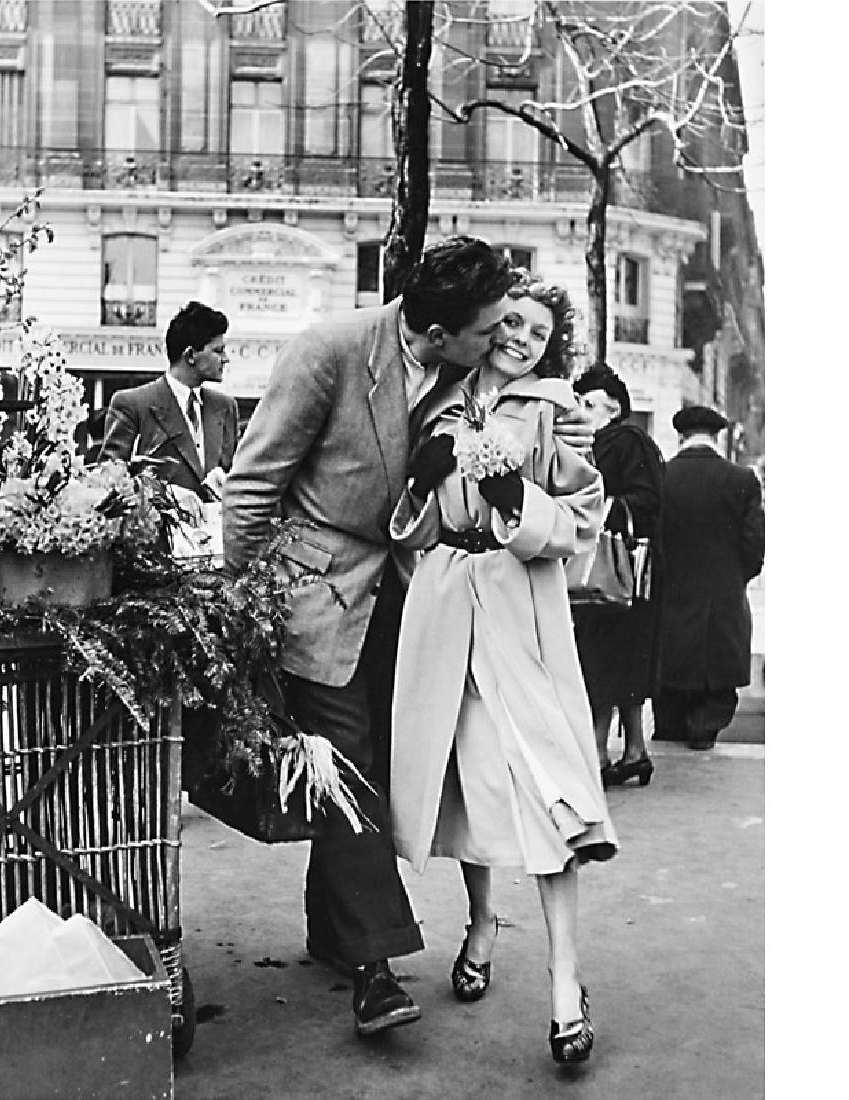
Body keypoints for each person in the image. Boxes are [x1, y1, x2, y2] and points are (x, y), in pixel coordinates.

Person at [222, 237, 596, 1039]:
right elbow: (252, 487)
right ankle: (375, 968)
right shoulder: (329, 351)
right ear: (440, 333)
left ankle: (333, 930)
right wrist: (249, 609)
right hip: (317, 593)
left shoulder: (485, 387)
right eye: (491, 326)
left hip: (417, 602)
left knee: (377, 770)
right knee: (347, 761)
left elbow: (558, 490)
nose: (504, 337)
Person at [389, 271, 617, 1066]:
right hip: (449, 609)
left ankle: (564, 981)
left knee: (548, 790)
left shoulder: (558, 412)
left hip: (521, 616)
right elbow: (410, 532)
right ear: (488, 324)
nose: (521, 341)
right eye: (511, 324)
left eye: (539, 335)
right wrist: (421, 488)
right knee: (469, 781)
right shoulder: (438, 403)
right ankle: (482, 924)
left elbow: (585, 519)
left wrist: (516, 502)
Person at [570, 365, 666, 788]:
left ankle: (600, 754)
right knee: (620, 665)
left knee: (603, 663)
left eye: (589, 404)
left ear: (613, 409)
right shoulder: (604, 442)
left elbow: (645, 500)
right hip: (617, 578)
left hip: (616, 571)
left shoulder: (624, 441)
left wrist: (598, 508)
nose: (581, 411)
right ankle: (633, 751)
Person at [652, 405, 765, 750]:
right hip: (723, 605)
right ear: (717, 436)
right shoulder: (742, 480)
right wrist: (731, 579)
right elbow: (755, 549)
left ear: (681, 436)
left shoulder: (660, 477)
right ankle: (704, 730)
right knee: (716, 689)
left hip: (670, 605)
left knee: (669, 698)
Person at [99, 300, 239, 502]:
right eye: (218, 351)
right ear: (190, 355)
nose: (225, 359)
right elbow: (109, 484)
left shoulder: (226, 407)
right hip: (156, 531)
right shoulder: (132, 404)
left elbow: (236, 477)